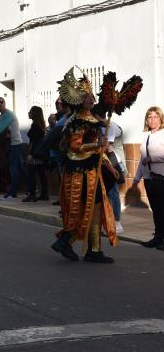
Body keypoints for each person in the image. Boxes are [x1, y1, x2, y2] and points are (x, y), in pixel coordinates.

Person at [50, 68, 117, 263]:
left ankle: (92, 249)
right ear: (79, 99)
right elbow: (75, 146)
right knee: (85, 208)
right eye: (88, 97)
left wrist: (107, 163)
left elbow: (98, 149)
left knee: (95, 207)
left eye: (92, 97)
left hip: (91, 169)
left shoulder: (91, 118)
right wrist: (96, 145)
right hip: (81, 172)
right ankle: (69, 241)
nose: (92, 100)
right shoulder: (77, 120)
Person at [132, 106, 164, 249]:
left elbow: (149, 158)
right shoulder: (146, 135)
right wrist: (136, 178)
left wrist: (152, 158)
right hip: (148, 178)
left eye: (155, 117)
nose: (152, 120)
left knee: (162, 209)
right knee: (156, 210)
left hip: (161, 177)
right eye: (149, 117)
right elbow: (142, 159)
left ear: (161, 119)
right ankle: (157, 237)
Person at [0, 97, 24, 199]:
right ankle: (31, 188)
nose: (0, 104)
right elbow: (2, 130)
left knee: (13, 168)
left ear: (4, 103)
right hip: (10, 144)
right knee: (20, 168)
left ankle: (13, 193)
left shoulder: (8, 114)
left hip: (16, 144)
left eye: (2, 102)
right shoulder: (1, 116)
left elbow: (0, 129)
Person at [24, 106, 49, 202]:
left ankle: (32, 194)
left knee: (32, 174)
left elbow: (34, 142)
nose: (28, 113)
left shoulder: (35, 126)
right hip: (41, 154)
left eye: (30, 111)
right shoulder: (41, 125)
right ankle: (44, 193)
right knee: (41, 174)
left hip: (35, 153)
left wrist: (30, 154)